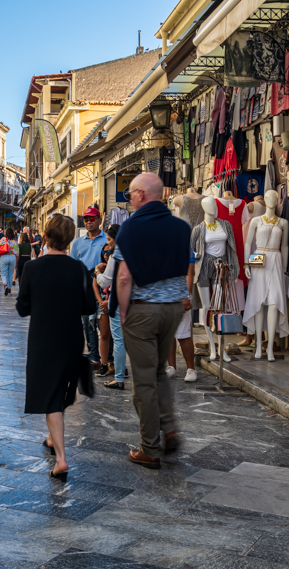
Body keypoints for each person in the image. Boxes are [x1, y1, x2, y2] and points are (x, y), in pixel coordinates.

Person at [113, 173, 191, 468]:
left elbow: (123, 276)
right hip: (172, 308)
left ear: (142, 195)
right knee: (158, 370)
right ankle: (169, 428)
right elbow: (184, 268)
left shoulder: (130, 228)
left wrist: (122, 312)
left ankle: (150, 448)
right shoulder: (181, 228)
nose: (129, 198)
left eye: (131, 193)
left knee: (143, 381)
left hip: (143, 310)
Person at [16, 215, 97, 479]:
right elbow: (89, 307)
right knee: (61, 389)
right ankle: (52, 438)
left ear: (46, 238)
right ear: (70, 239)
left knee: (50, 395)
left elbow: (22, 308)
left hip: (43, 339)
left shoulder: (32, 269)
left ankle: (61, 458)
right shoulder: (79, 269)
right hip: (71, 338)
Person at [71, 207, 108, 367]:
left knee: (106, 325)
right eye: (85, 219)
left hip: (104, 285)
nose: (88, 222)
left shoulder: (108, 239)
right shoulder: (77, 243)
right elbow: (73, 266)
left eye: (92, 219)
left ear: (100, 220)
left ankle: (109, 358)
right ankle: (94, 356)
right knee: (87, 322)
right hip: (85, 286)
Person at [95, 225, 122, 382]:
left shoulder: (116, 255)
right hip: (133, 301)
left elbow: (105, 282)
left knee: (118, 341)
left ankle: (119, 378)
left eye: (110, 240)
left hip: (117, 301)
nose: (108, 243)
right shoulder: (133, 251)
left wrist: (97, 271)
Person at [167, 252, 199, 383]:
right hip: (163, 294)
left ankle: (191, 369)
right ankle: (171, 367)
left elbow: (189, 273)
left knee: (183, 334)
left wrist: (186, 296)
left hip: (180, 294)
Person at [0, 232, 17, 296]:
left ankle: (5, 285)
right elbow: (17, 251)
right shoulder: (14, 241)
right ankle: (9, 288)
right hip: (12, 257)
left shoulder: (3, 239)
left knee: (3, 273)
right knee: (10, 273)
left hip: (4, 257)